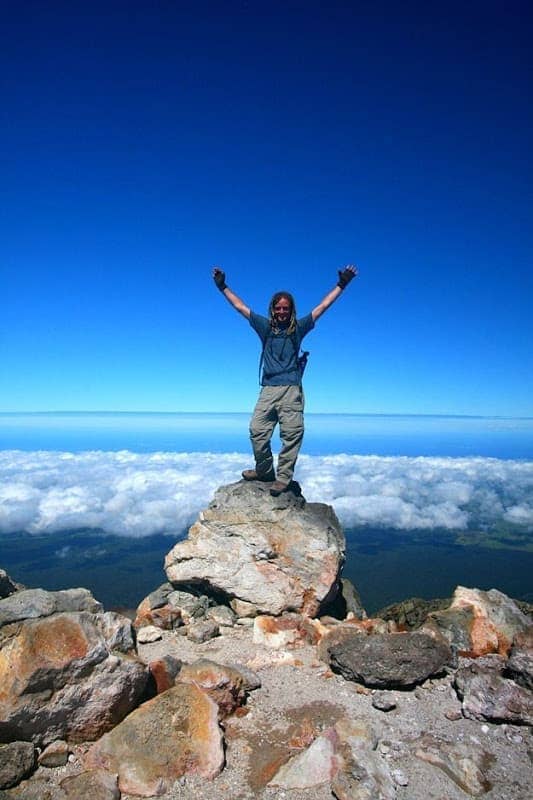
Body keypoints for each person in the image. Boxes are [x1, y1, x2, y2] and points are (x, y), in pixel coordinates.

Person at [212, 264, 358, 496]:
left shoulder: (298, 329)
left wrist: (342, 284)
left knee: (291, 434)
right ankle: (264, 471)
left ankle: (283, 478)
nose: (282, 312)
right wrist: (222, 286)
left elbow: (323, 307)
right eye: (278, 308)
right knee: (257, 430)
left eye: (286, 309)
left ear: (291, 310)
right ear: (272, 309)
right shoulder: (265, 327)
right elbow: (240, 307)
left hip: (291, 389)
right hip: (268, 389)